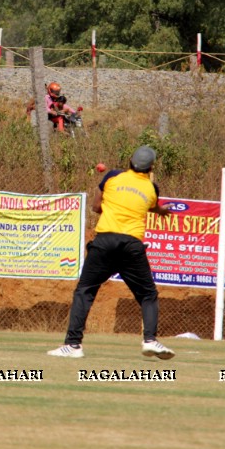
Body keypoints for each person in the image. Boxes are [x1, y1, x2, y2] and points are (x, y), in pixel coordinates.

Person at [47, 145, 175, 360]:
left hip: (105, 242)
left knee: (85, 290)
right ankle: (150, 340)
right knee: (148, 295)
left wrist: (114, 204)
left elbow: (96, 207)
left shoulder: (112, 177)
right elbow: (151, 206)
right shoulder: (152, 189)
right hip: (132, 245)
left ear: (130, 161)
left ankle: (73, 345)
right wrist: (162, 211)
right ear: (151, 167)